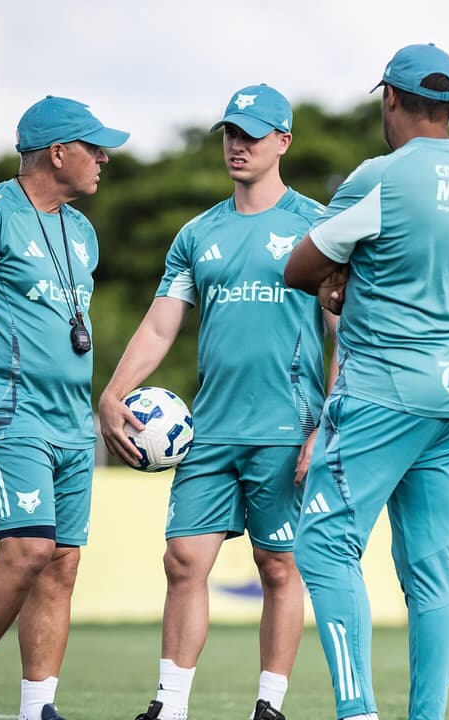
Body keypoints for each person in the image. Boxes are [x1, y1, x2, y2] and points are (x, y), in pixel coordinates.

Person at [96, 84, 332, 720]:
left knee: (279, 566)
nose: (238, 144)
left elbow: (345, 332)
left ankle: (270, 706)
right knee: (182, 561)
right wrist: (113, 393)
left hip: (289, 428)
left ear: (283, 140)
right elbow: (158, 326)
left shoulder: (317, 225)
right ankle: (170, 706)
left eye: (252, 133)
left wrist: (328, 424)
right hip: (211, 431)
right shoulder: (198, 234)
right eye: (230, 133)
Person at [283, 43, 449, 720]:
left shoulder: (381, 177)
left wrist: (341, 279)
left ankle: (358, 713)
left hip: (385, 389)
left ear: (391, 101)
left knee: (323, 545)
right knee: (429, 569)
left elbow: (300, 267)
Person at [0, 95, 129, 720]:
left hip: (71, 421)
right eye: (94, 148)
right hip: (11, 413)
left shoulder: (82, 231)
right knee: (27, 553)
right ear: (57, 152)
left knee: (61, 564)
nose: (103, 159)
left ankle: (38, 707)